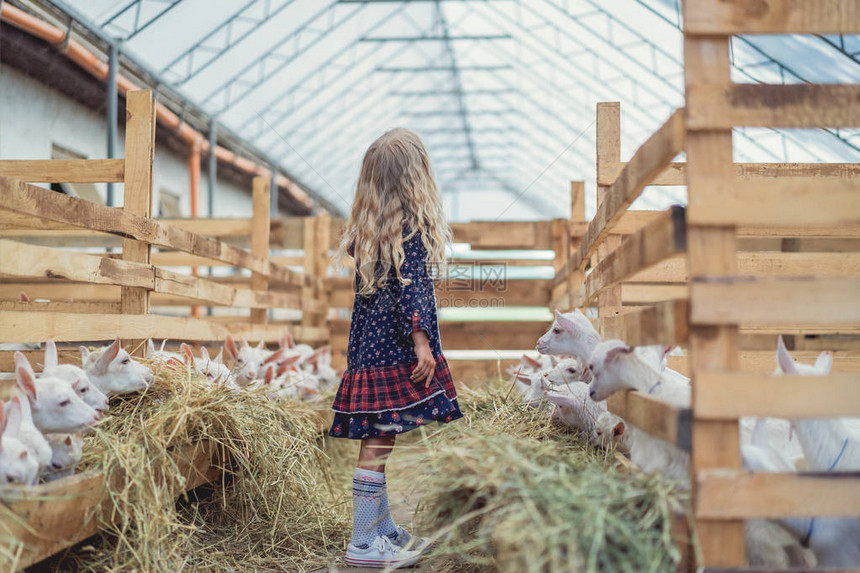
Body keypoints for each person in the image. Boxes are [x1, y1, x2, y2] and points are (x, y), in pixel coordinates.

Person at [329, 128, 463, 569]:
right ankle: (364, 543)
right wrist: (423, 344)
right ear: (415, 178)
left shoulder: (371, 235)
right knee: (378, 441)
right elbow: (415, 293)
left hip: (369, 355)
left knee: (379, 437)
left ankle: (382, 529)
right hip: (396, 353)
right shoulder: (411, 233)